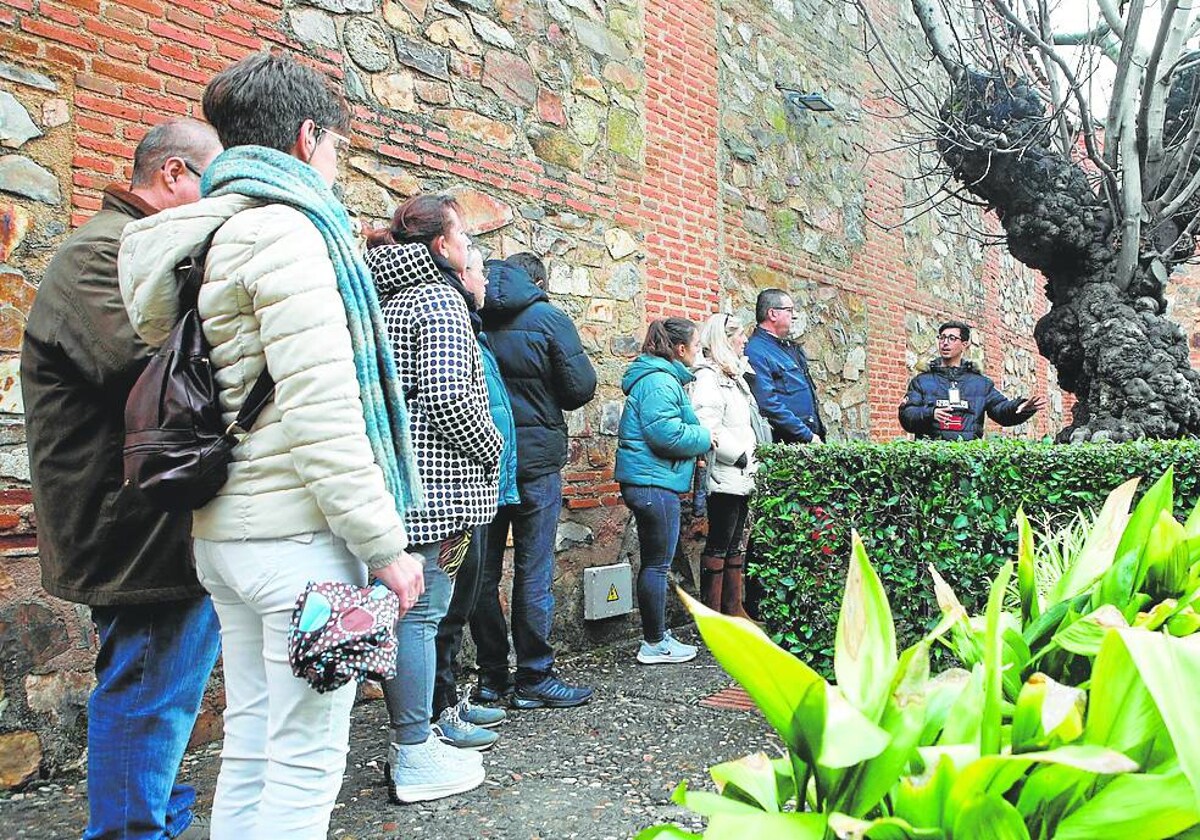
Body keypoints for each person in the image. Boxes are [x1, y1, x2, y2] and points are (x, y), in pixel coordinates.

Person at [118, 53, 425, 838]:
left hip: (228, 534)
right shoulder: (288, 232)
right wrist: (384, 545)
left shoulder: (215, 231)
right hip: (297, 541)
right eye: (334, 148)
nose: (334, 165)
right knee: (304, 756)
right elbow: (324, 408)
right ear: (306, 135)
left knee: (254, 741)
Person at [21, 119, 222, 840]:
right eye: (214, 182)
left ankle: (151, 808)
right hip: (129, 520)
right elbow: (158, 377)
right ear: (173, 174)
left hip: (144, 512)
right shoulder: (104, 252)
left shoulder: (127, 246)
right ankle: (132, 830)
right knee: (145, 690)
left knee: (158, 687)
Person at [364, 195, 503, 803]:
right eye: (465, 238)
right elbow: (450, 397)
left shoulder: (387, 292)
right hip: (437, 490)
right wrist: (493, 448)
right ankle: (414, 750)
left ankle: (416, 741)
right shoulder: (439, 298)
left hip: (400, 482)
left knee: (408, 617)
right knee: (418, 618)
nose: (472, 249)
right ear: (442, 247)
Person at [469, 252, 598, 709]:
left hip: (481, 459)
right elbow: (579, 388)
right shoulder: (548, 318)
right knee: (534, 569)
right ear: (539, 280)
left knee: (482, 575)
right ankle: (535, 676)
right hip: (536, 462)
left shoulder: (470, 308)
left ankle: (491, 678)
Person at [429, 246, 517, 752]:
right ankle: (438, 712)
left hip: (480, 490)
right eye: (480, 270)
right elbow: (452, 402)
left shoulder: (473, 329)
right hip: (458, 491)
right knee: (448, 606)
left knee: (460, 601)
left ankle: (448, 701)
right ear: (462, 274)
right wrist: (491, 448)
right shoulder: (449, 319)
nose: (486, 281)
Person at [615, 317, 713, 664]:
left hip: (652, 482)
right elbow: (665, 435)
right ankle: (654, 643)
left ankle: (656, 638)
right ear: (680, 349)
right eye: (697, 346)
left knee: (654, 563)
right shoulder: (660, 381)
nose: (699, 352)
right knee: (656, 565)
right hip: (653, 483)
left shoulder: (661, 378)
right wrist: (705, 437)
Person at [690, 313, 771, 617]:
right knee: (720, 543)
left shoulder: (733, 377)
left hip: (742, 473)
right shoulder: (708, 378)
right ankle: (714, 615)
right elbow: (707, 426)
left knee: (735, 542)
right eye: (738, 336)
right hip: (726, 473)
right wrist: (738, 455)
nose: (745, 340)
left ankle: (733, 608)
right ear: (724, 339)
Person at [899, 320, 1045, 440]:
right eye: (942, 337)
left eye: (952, 338)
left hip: (968, 462)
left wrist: (1020, 408)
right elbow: (907, 416)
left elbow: (1001, 410)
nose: (945, 342)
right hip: (931, 460)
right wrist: (931, 413)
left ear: (964, 344)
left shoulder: (980, 384)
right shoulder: (922, 381)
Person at [745, 288, 826, 444]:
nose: (794, 315)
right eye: (789, 310)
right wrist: (806, 435)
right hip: (787, 443)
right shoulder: (756, 352)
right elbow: (768, 404)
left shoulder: (789, 348)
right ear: (773, 314)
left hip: (807, 438)